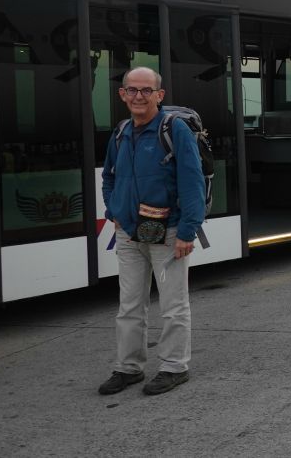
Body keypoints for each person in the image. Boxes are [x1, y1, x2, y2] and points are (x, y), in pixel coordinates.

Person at [97, 67, 205, 396]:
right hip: (130, 232)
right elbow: (109, 177)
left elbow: (192, 181)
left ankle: (174, 367)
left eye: (146, 91)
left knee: (173, 305)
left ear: (160, 95)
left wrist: (188, 230)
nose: (139, 96)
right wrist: (113, 211)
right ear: (122, 94)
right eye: (132, 90)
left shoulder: (175, 131)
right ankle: (128, 368)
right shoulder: (121, 132)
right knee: (129, 305)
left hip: (169, 230)